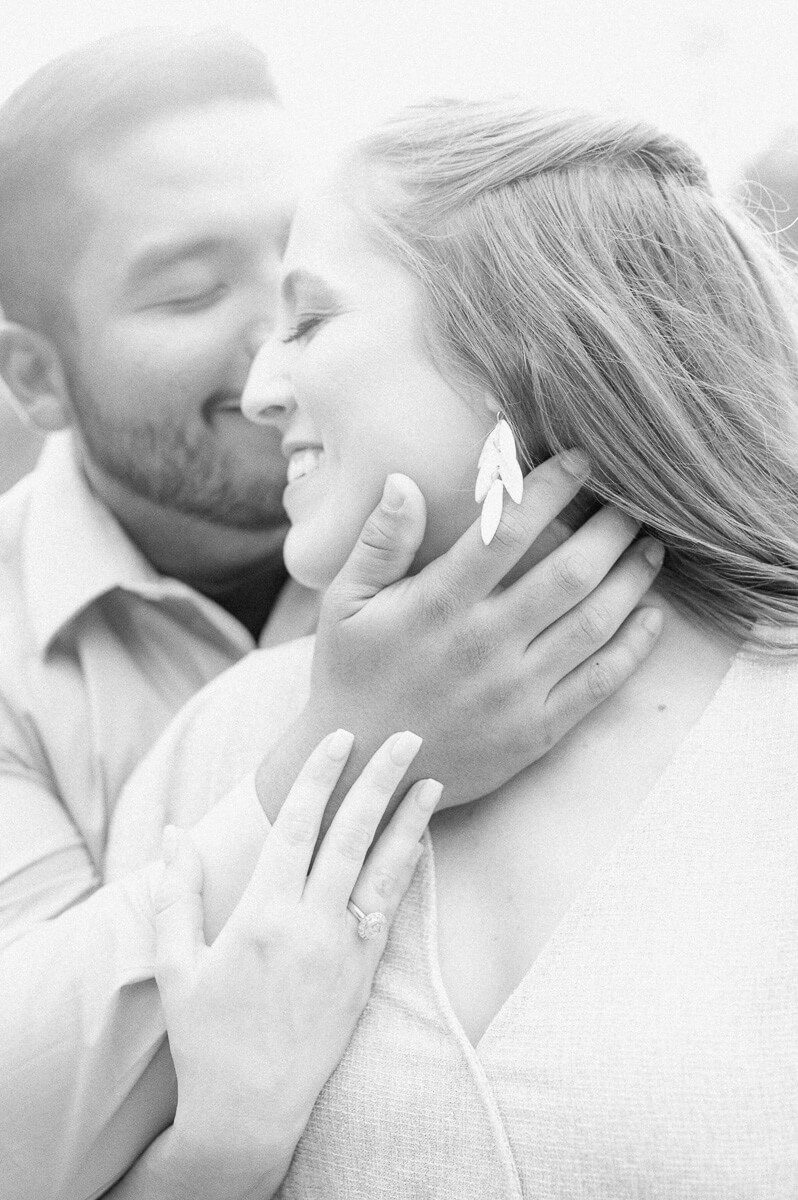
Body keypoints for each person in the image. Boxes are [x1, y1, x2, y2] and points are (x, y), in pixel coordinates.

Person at [0, 36, 664, 1200]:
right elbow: (22, 1129)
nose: (276, 352)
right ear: (36, 381)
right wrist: (355, 739)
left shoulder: (481, 519)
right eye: (191, 292)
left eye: (305, 275)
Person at [106, 99, 798, 1198]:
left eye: (309, 322)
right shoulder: (223, 745)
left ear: (508, 347)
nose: (259, 390)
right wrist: (223, 1144)